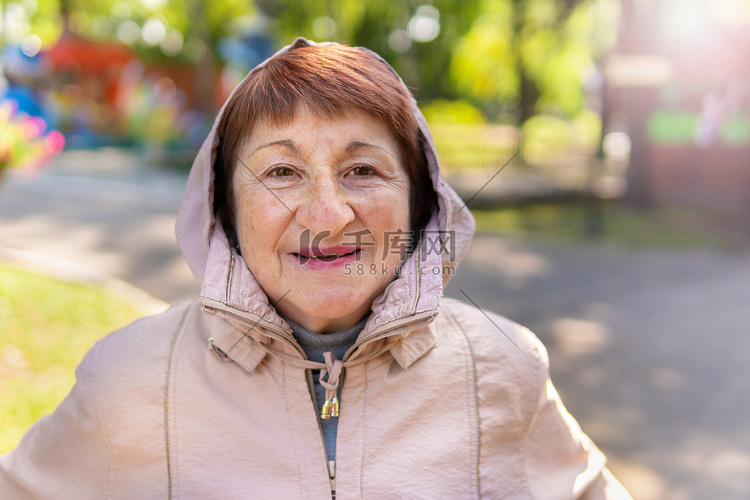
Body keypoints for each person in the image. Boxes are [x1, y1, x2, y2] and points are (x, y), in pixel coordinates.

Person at [0, 38, 632, 499]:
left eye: (363, 170)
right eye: (280, 172)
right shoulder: (131, 380)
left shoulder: (503, 370)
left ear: (421, 199)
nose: (329, 216)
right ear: (224, 208)